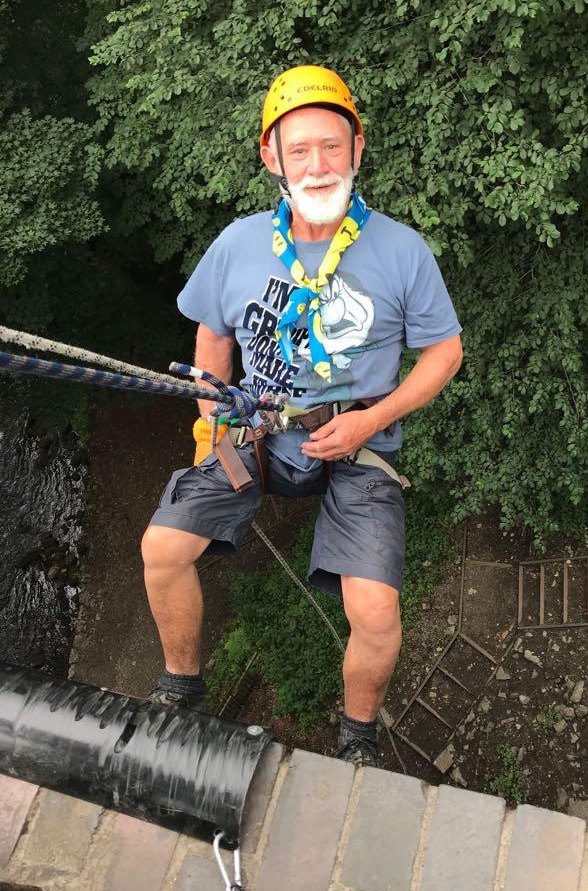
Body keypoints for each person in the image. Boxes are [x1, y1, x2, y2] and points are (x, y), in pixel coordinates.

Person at [141, 64, 463, 767]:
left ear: (357, 147)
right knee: (162, 549)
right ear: (271, 157)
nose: (318, 165)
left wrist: (374, 419)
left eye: (332, 146)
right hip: (258, 430)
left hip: (357, 442)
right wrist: (211, 420)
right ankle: (181, 686)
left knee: (376, 612)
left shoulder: (402, 251)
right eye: (299, 150)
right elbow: (212, 339)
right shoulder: (238, 244)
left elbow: (444, 352)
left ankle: (357, 736)